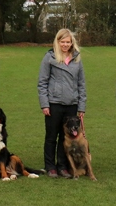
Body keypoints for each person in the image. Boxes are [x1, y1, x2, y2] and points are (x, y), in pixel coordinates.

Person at [37, 28, 86, 179]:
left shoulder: (77, 58)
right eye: (62, 42)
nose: (65, 44)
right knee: (51, 136)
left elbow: (81, 84)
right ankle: (50, 166)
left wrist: (81, 106)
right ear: (57, 42)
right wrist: (44, 104)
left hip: (71, 103)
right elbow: (42, 82)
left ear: (72, 42)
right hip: (54, 103)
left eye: (68, 42)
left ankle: (63, 166)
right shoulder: (49, 57)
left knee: (67, 137)